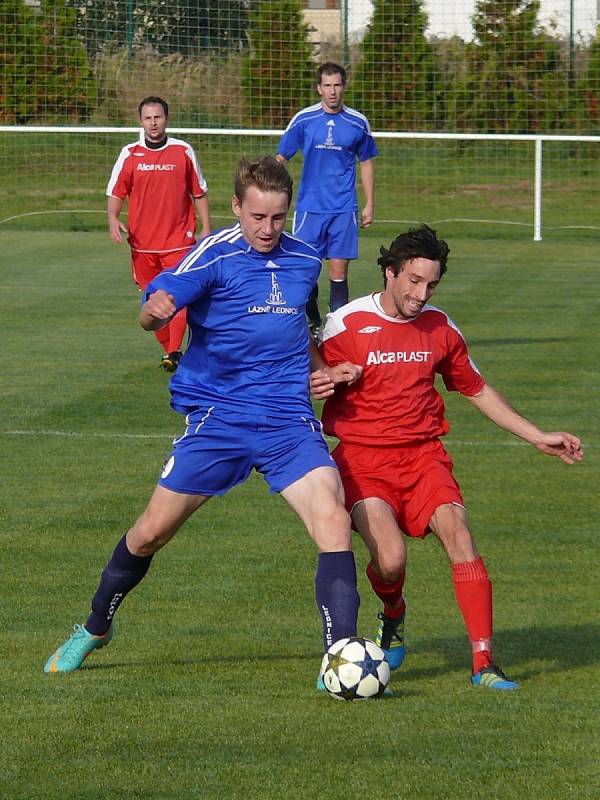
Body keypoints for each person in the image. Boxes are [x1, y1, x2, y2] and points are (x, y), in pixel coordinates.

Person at [44, 156, 362, 680]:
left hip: (287, 419)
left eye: (278, 217)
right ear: (237, 207)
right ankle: (96, 626)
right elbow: (153, 308)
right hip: (221, 418)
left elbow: (295, 331)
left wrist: (323, 368)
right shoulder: (213, 255)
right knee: (150, 533)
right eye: (257, 216)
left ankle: (342, 657)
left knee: (333, 517)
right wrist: (155, 312)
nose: (267, 229)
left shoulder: (306, 260)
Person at [311, 224, 583, 691]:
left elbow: (476, 389)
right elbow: (306, 375)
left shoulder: (440, 328)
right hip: (363, 460)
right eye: (413, 281)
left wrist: (537, 436)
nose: (421, 294)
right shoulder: (347, 324)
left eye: (431, 284)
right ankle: (393, 612)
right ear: (390, 272)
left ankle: (484, 664)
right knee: (391, 561)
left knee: (460, 535)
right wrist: (326, 377)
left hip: (424, 459)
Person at [106, 95, 212, 372]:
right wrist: (112, 218)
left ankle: (175, 349)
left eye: (158, 117)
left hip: (179, 241)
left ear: (167, 118)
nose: (154, 123)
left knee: (176, 295)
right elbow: (117, 192)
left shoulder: (183, 151)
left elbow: (198, 192)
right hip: (142, 244)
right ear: (140, 121)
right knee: (151, 300)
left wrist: (206, 227)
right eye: (148, 118)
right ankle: (170, 350)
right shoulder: (130, 154)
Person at [276, 62, 377, 337]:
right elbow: (282, 158)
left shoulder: (358, 122)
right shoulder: (304, 120)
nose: (332, 91)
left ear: (344, 87)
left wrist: (369, 203)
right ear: (319, 88)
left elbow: (366, 162)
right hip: (310, 208)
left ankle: (336, 332)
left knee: (338, 271)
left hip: (344, 208)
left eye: (337, 85)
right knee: (306, 269)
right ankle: (311, 320)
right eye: (327, 86)